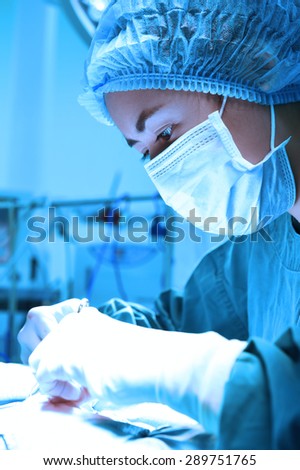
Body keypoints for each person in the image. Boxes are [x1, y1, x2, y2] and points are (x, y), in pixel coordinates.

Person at [17, 0, 300, 449]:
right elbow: (179, 324)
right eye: (146, 151)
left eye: (165, 133)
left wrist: (182, 370)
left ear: (260, 67)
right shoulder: (267, 246)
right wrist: (85, 328)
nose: (166, 165)